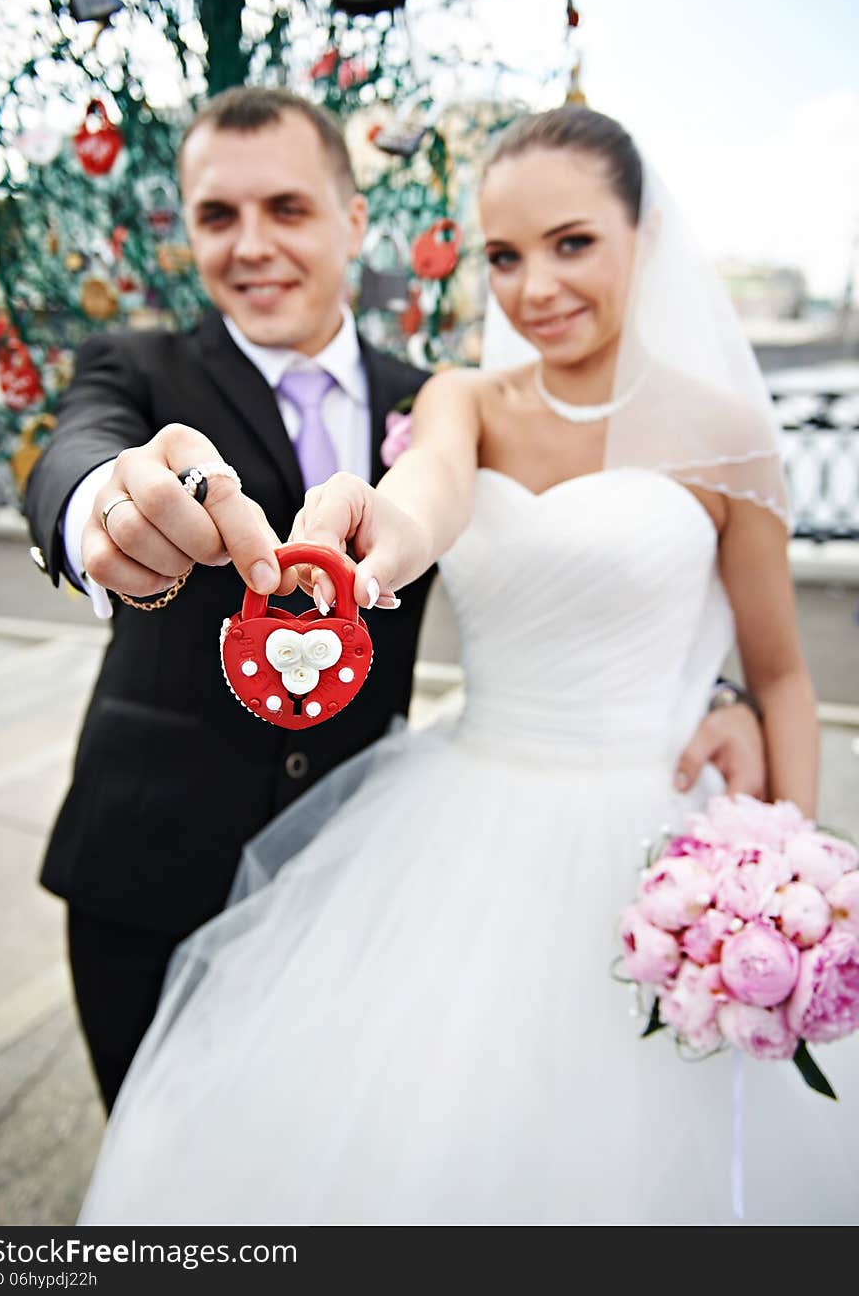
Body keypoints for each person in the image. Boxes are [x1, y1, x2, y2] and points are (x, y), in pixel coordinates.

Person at [78, 106, 858, 1225]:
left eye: (571, 243)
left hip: (658, 840)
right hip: (454, 826)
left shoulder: (727, 433)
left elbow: (780, 673)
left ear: (646, 236)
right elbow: (428, 491)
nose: (534, 286)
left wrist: (787, 897)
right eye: (503, 255)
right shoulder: (459, 400)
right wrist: (374, 534)